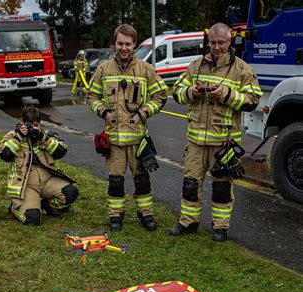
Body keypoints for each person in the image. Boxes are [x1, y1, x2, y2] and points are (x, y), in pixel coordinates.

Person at [169, 23, 263, 241]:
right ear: (208, 42)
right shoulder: (195, 66)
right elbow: (177, 93)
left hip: (224, 143)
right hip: (195, 141)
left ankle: (220, 228)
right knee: (190, 184)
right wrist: (192, 91)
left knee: (221, 187)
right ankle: (188, 222)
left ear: (229, 42)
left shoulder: (242, 69)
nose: (217, 47)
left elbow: (253, 100)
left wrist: (226, 94)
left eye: (221, 42)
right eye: (213, 42)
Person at [86, 24, 168, 231]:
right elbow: (91, 96)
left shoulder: (145, 69)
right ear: (114, 44)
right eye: (120, 43)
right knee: (115, 182)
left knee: (142, 180)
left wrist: (143, 113)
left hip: (138, 140)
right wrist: (104, 112)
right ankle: (116, 217)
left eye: (128, 44)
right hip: (113, 140)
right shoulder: (103, 69)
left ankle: (146, 215)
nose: (123, 48)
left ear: (134, 45)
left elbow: (161, 95)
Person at [0, 106, 79, 225]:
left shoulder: (45, 135)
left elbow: (61, 151)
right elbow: (4, 155)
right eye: (29, 125)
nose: (32, 128)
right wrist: (19, 137)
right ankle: (15, 208)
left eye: (35, 125)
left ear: (39, 124)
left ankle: (48, 206)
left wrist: (43, 138)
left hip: (47, 181)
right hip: (26, 185)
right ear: (22, 122)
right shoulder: (13, 135)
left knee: (70, 193)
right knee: (32, 219)